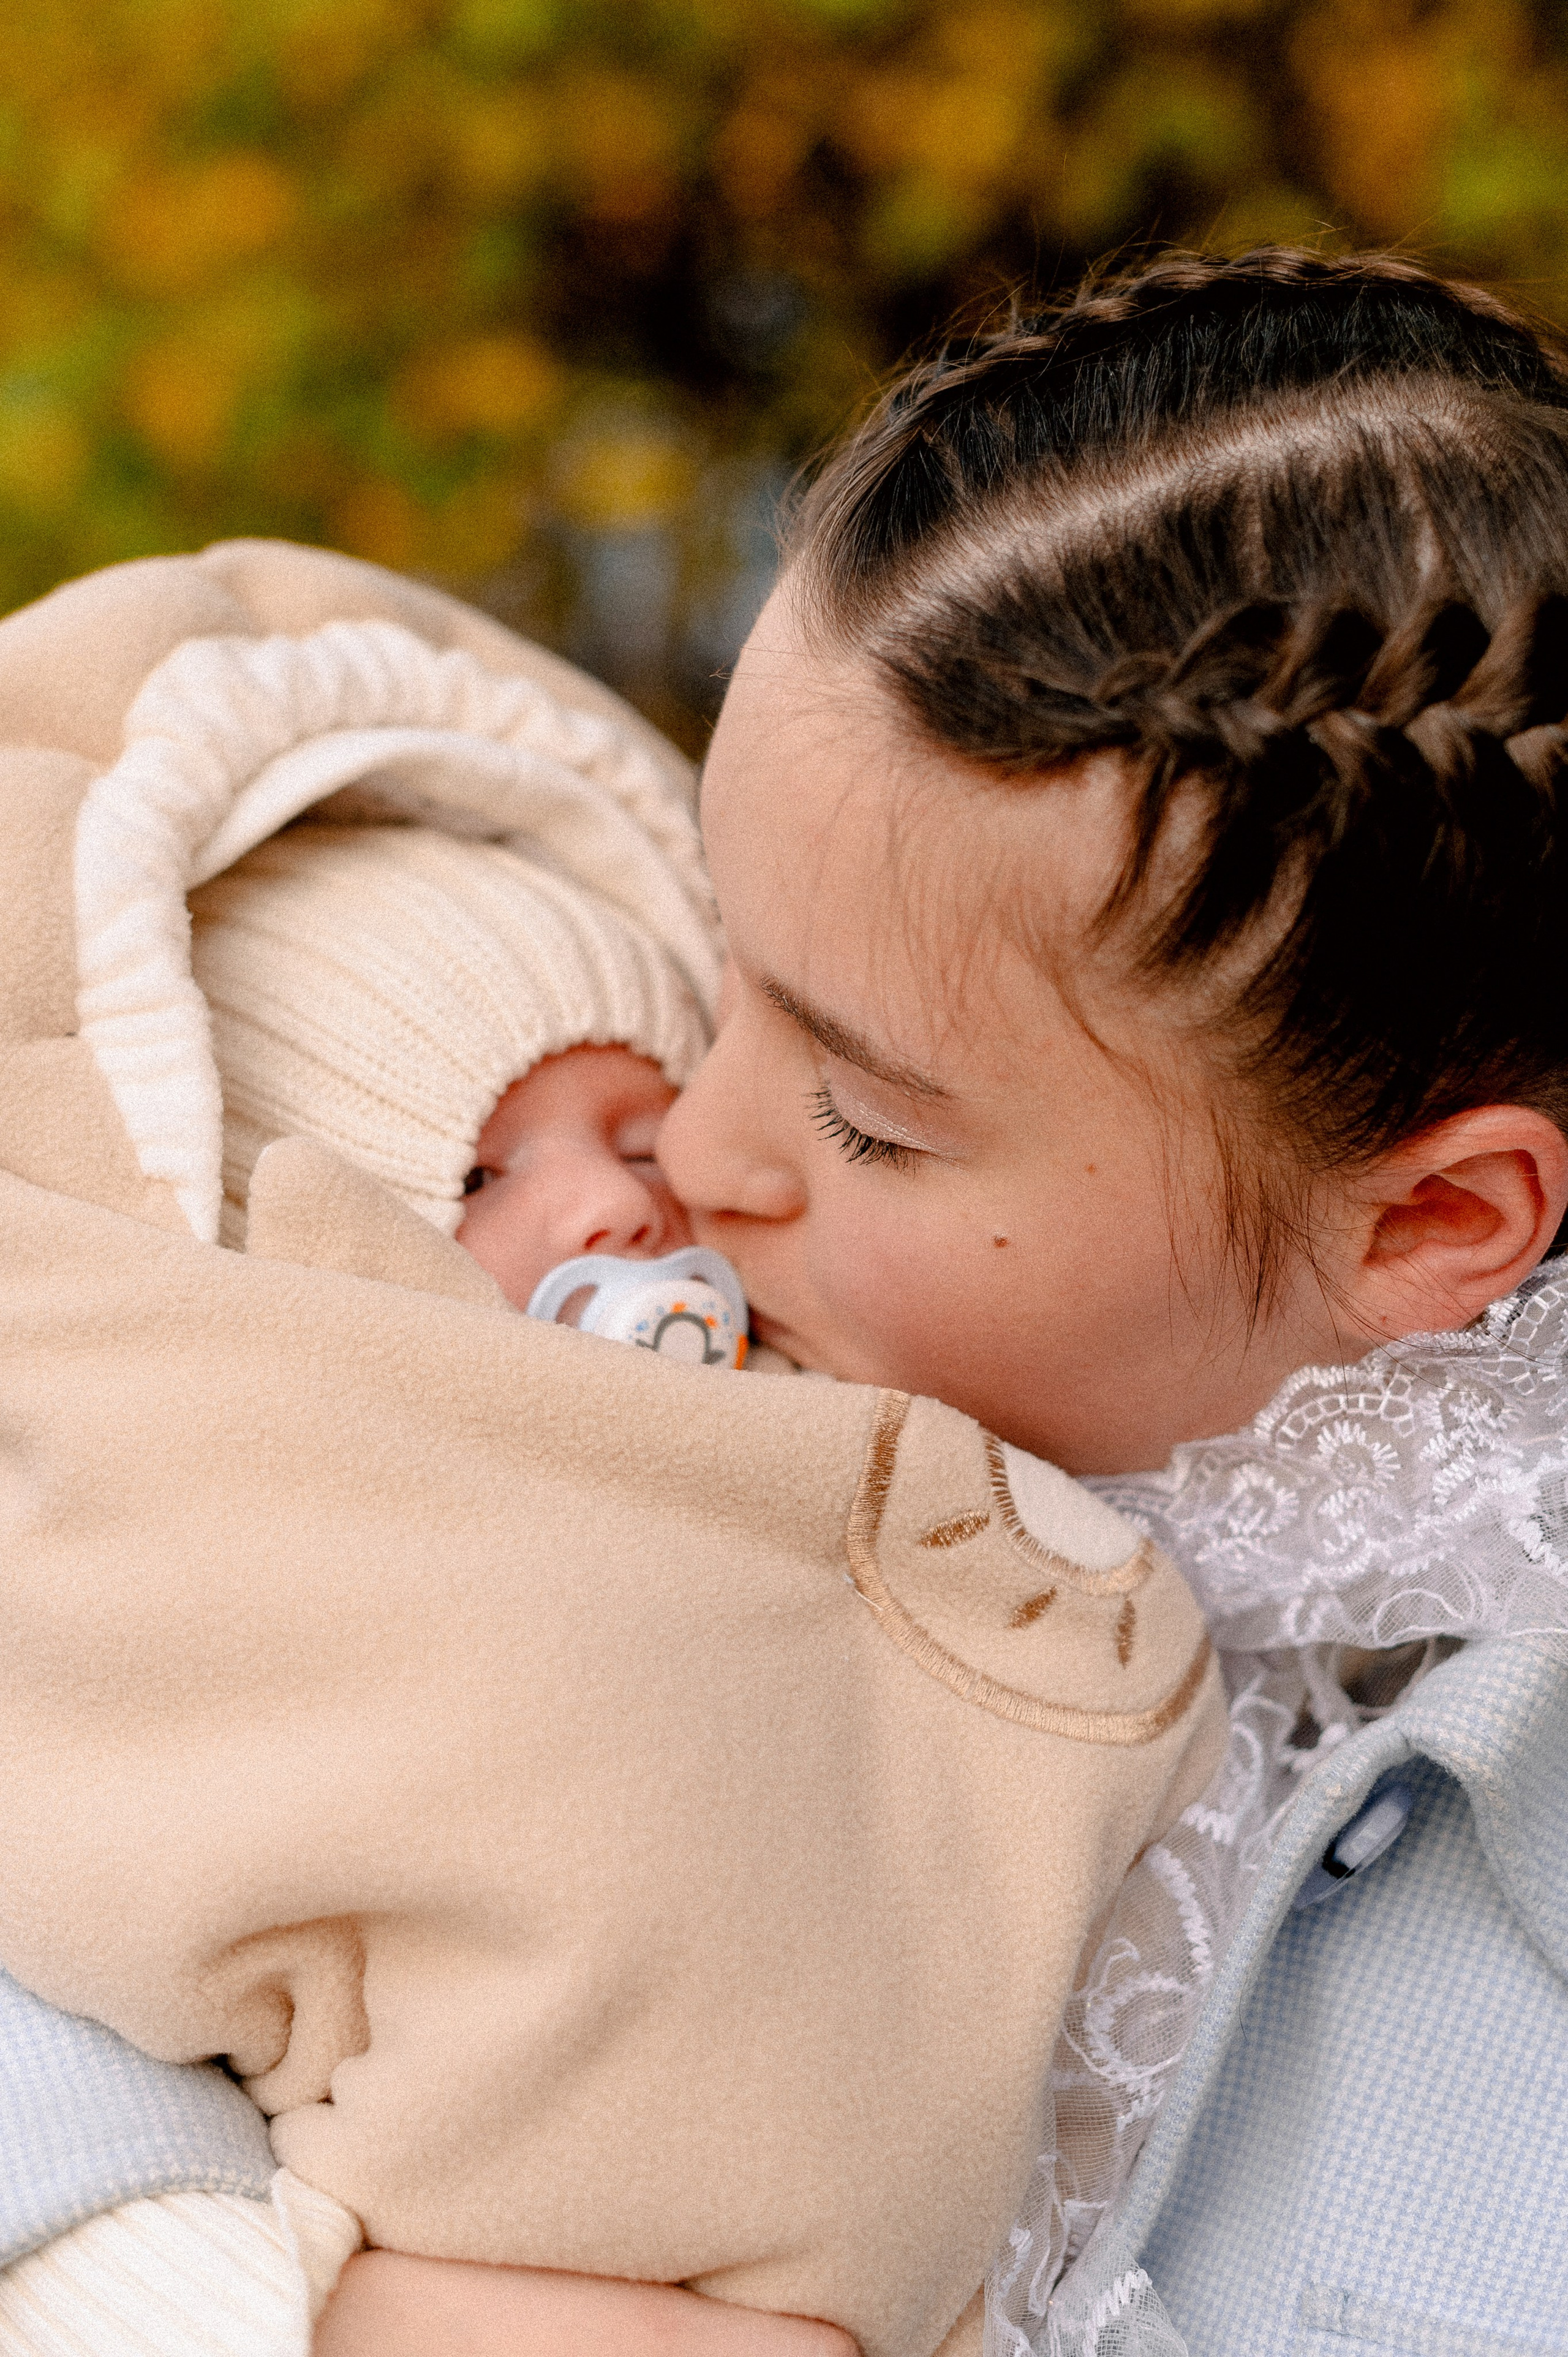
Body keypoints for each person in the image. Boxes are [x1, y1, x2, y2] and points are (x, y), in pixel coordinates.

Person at [0, 538, 1221, 2357]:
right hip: (473, 2232)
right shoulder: (230, 1503)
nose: (606, 1210)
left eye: (642, 1131)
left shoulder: (876, 1411)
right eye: (479, 1177)